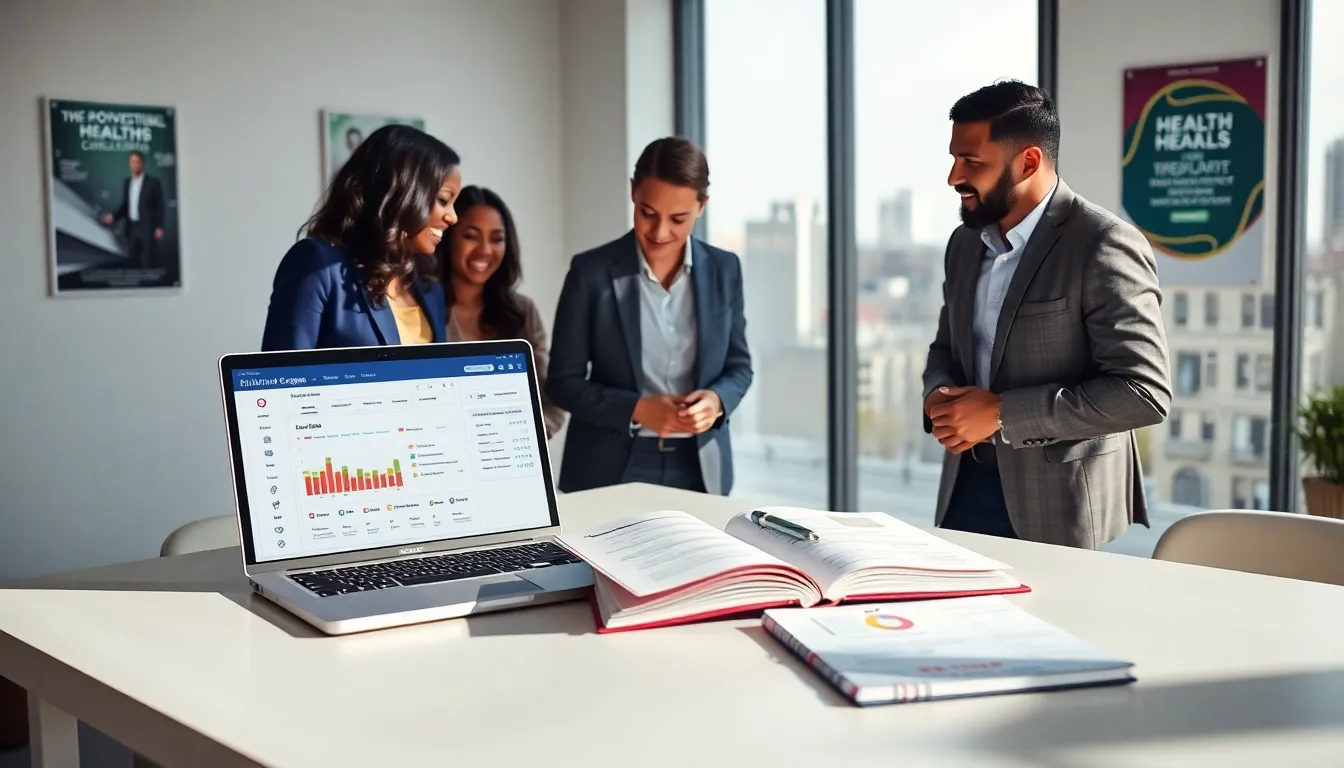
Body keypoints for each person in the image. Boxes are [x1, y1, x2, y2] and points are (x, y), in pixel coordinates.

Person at [921, 80, 1171, 549]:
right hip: (963, 492)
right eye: (954, 158)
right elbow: (946, 348)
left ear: (1029, 162)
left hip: (1065, 508)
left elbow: (1144, 392)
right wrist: (937, 393)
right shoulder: (963, 244)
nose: (954, 177)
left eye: (972, 162)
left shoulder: (1103, 243)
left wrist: (1001, 415)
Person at [547, 137, 752, 495]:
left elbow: (739, 366)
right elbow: (563, 382)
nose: (659, 232)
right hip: (608, 467)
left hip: (700, 467)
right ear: (632, 192)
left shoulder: (725, 269)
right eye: (648, 212)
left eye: (677, 219)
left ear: (702, 206)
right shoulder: (590, 272)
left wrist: (716, 401)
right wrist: (638, 409)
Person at [261, 125, 461, 351]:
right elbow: (285, 379)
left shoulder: (428, 284)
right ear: (401, 194)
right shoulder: (317, 264)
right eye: (443, 200)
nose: (453, 217)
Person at [439, 185, 565, 438]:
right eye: (471, 236)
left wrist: (524, 433)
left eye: (497, 239)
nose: (485, 249)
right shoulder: (421, 308)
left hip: (508, 457)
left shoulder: (522, 311)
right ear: (448, 236)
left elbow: (550, 402)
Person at [99, 150, 165, 269]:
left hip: (147, 228)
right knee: (132, 261)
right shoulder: (127, 182)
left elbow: (160, 206)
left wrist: (160, 227)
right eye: (131, 162)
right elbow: (125, 206)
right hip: (131, 228)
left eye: (136, 162)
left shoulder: (153, 183)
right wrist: (113, 216)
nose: (134, 165)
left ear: (142, 163)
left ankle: (149, 287)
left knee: (148, 261)